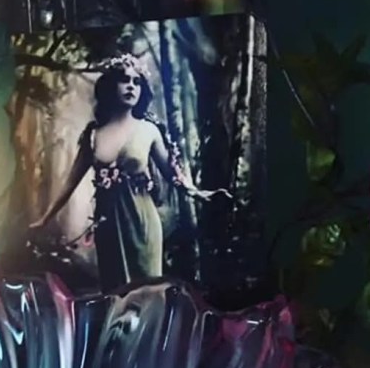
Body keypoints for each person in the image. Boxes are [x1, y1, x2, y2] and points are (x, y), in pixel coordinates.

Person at [29, 53, 229, 293]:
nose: (131, 87)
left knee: (147, 292)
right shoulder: (94, 134)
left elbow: (173, 174)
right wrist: (44, 219)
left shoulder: (148, 130)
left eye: (136, 82)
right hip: (108, 227)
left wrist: (200, 193)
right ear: (111, 86)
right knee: (116, 294)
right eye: (124, 80)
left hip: (143, 224)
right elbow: (70, 183)